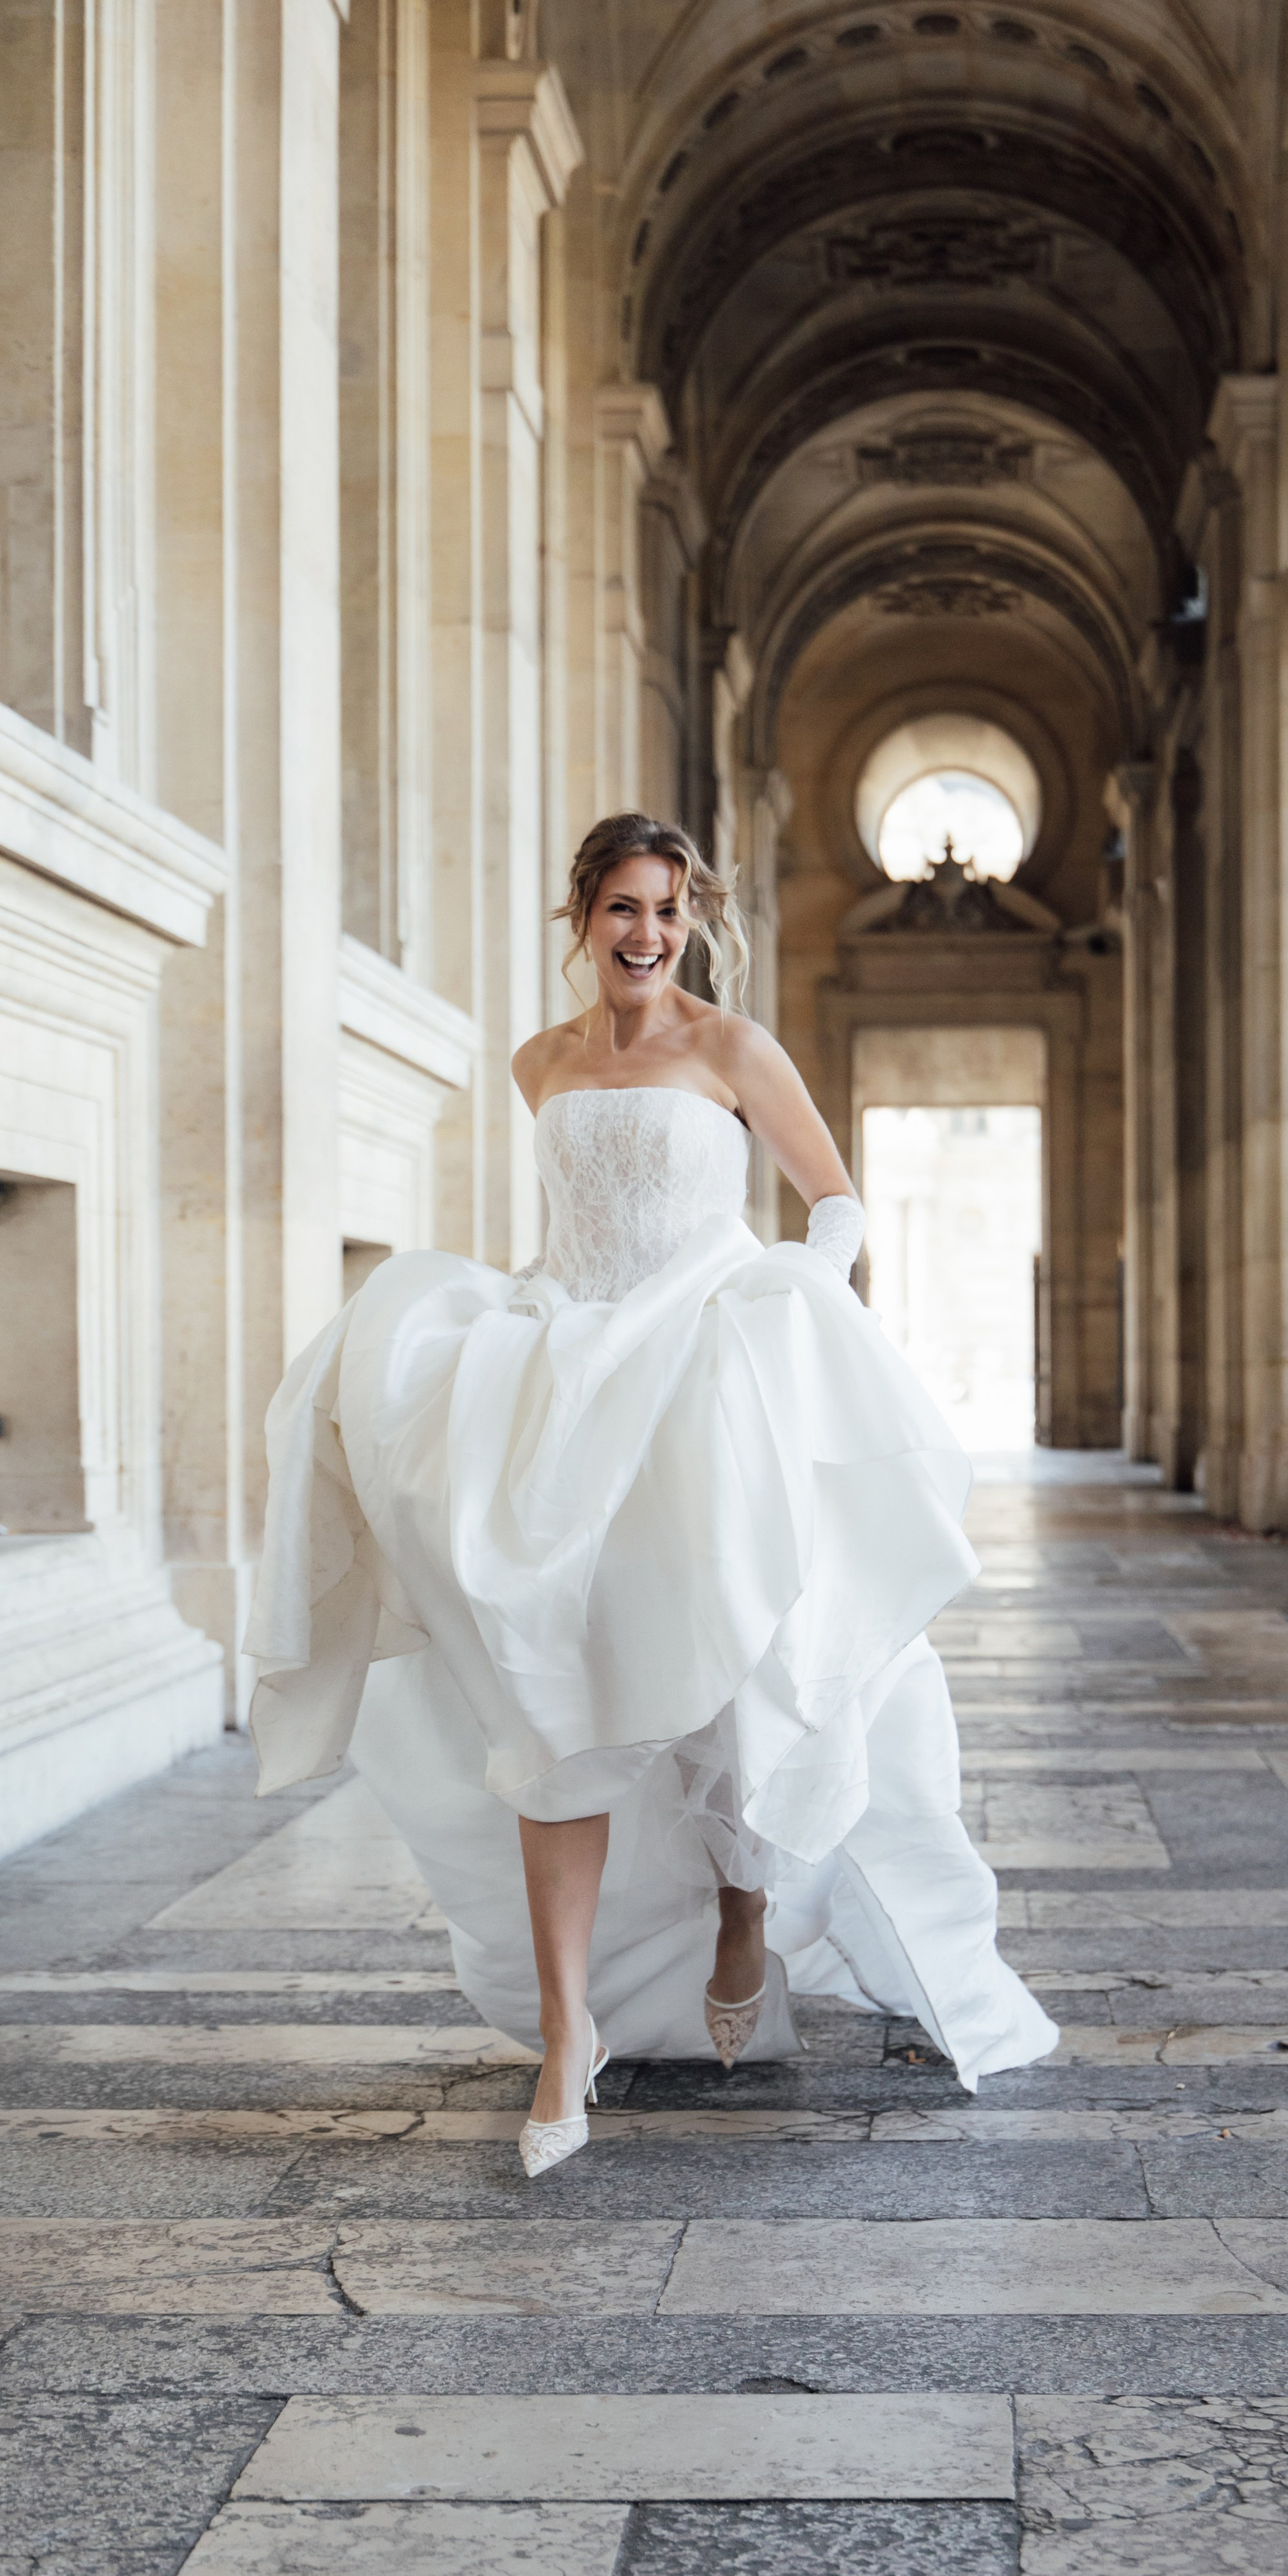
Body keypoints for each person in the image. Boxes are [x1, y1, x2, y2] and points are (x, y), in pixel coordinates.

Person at [244, 812, 1055, 2175]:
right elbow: (578, 1228)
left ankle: (744, 1910)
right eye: (624, 907)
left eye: (668, 911)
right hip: (568, 1370)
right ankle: (568, 2035)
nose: (648, 934)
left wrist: (788, 1302)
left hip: (704, 1369)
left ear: (692, 922)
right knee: (547, 1683)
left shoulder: (732, 1047)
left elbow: (835, 1201)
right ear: (583, 917)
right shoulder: (538, 1062)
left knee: (731, 1661)